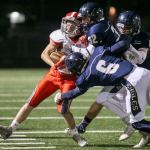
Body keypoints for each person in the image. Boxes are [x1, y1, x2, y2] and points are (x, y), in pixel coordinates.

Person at [0, 12, 90, 147]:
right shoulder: (59, 36)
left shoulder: (85, 41)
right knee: (31, 101)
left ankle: (75, 135)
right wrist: (55, 64)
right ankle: (10, 129)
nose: (68, 26)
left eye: (72, 24)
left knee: (64, 110)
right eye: (67, 23)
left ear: (79, 26)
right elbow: (44, 54)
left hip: (70, 78)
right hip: (54, 74)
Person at [76, 10, 150, 148]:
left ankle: (138, 126)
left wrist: (126, 44)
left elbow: (140, 59)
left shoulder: (143, 37)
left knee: (134, 108)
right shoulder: (118, 35)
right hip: (124, 76)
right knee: (102, 98)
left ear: (135, 26)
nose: (123, 30)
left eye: (126, 27)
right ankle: (135, 125)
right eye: (121, 27)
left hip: (141, 76)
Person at [54, 47, 150, 137]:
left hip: (133, 82)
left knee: (137, 123)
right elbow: (120, 45)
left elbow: (76, 92)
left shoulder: (85, 77)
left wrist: (61, 96)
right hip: (143, 71)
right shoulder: (98, 51)